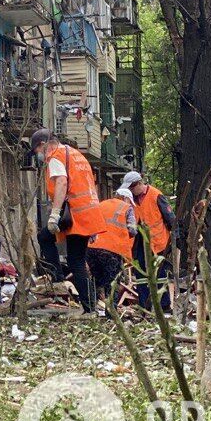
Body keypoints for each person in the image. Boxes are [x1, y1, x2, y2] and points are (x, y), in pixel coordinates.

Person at [32, 128, 109, 313]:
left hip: (74, 215)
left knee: (72, 258)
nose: (39, 156)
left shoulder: (56, 156)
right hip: (87, 213)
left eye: (37, 152)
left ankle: (65, 285)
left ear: (43, 145)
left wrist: (54, 214)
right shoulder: (76, 154)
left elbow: (62, 182)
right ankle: (89, 303)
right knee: (76, 259)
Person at [121, 171, 175, 312]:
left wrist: (175, 237)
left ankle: (164, 306)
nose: (131, 191)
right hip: (139, 242)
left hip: (157, 242)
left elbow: (170, 218)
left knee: (159, 274)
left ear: (139, 183)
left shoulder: (156, 195)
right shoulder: (131, 199)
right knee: (140, 274)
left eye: (132, 188)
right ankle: (144, 305)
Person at [86, 190, 137, 308]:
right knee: (112, 283)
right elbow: (133, 230)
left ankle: (91, 309)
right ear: (126, 198)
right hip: (112, 250)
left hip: (92, 247)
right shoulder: (127, 208)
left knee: (95, 280)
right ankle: (111, 312)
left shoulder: (101, 204)